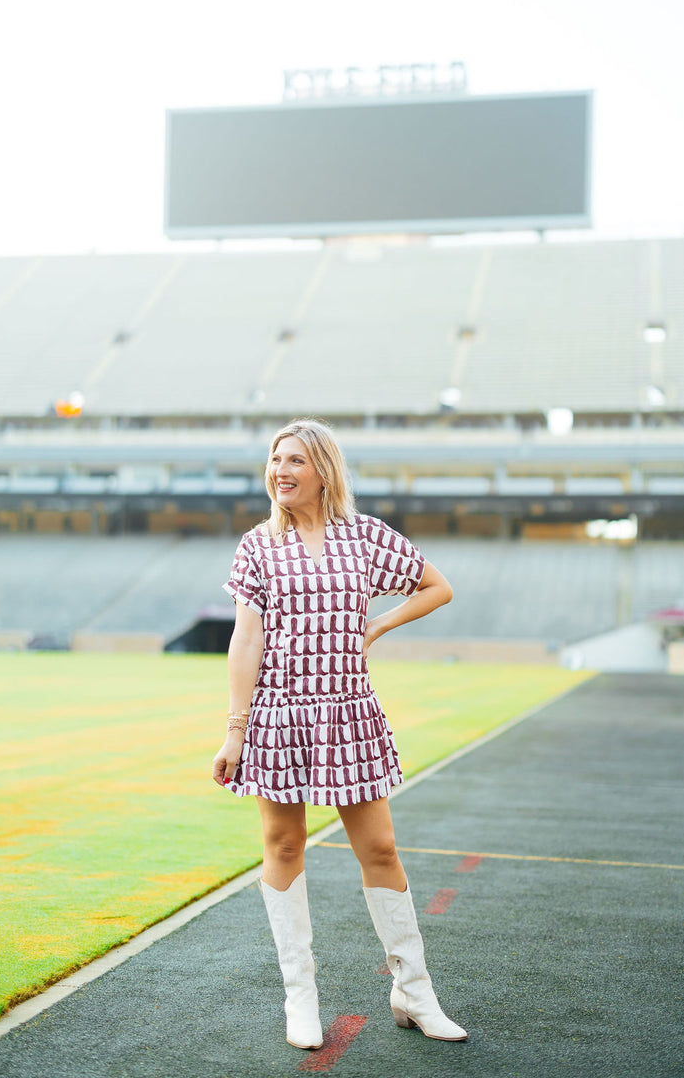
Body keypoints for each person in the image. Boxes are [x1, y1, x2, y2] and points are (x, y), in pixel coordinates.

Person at [212, 418, 467, 1050]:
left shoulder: (366, 536)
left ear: (324, 469)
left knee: (379, 849)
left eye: (295, 460)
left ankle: (414, 990)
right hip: (277, 714)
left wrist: (378, 625)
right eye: (275, 460)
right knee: (283, 844)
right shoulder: (257, 545)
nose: (281, 471)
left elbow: (438, 587)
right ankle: (300, 995)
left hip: (348, 711)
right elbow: (246, 639)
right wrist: (235, 731)